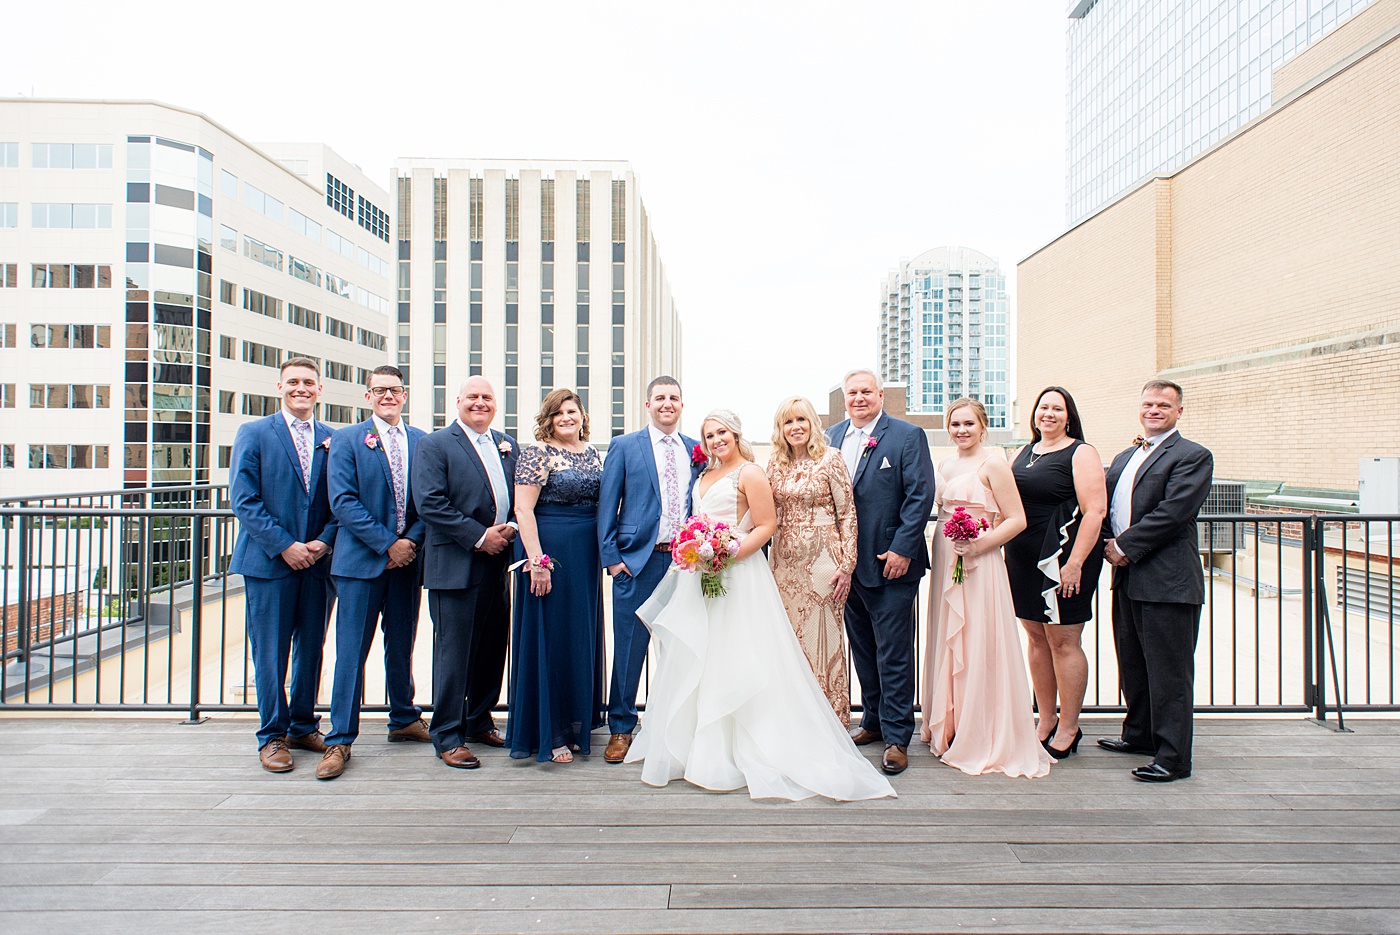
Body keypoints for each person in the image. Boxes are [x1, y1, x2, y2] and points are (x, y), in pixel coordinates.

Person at [626, 410, 895, 802]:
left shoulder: (751, 473)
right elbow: (696, 520)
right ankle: (696, 748)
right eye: (710, 434)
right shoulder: (703, 477)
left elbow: (766, 524)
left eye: (722, 432)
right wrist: (696, 551)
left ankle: (745, 748)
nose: (717, 439)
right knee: (702, 654)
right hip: (701, 575)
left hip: (737, 572)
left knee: (739, 653)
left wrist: (727, 553)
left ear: (735, 434)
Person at [920, 399, 1051, 778]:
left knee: (978, 638)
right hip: (948, 554)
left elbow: (1017, 519)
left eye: (968, 424)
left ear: (983, 426)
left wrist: (979, 544)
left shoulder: (993, 463)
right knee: (949, 636)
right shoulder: (945, 464)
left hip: (981, 559)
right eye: (955, 424)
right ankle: (952, 724)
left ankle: (982, 730)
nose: (961, 430)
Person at [317, 365, 430, 780]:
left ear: (405, 394)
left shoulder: (421, 441)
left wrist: (409, 544)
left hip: (406, 563)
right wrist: (388, 544)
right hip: (360, 564)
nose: (387, 396)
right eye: (379, 390)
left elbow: (426, 501)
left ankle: (403, 716)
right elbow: (342, 501)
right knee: (351, 653)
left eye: (395, 390)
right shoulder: (345, 440)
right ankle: (340, 738)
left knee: (401, 645)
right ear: (368, 396)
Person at [1098, 380, 1213, 783]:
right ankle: (1140, 734)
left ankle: (1173, 757)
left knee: (1169, 671)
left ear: (1179, 411)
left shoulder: (1192, 456)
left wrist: (1125, 546)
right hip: (1126, 577)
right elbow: (1104, 506)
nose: (1154, 410)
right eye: (1148, 403)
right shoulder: (1126, 455)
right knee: (1133, 662)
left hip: (1168, 580)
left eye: (1164, 405)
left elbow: (1174, 512)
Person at [227, 357, 338, 772]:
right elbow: (244, 499)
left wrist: (324, 542)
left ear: (319, 389)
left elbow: (340, 499)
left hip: (317, 563)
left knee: (311, 647)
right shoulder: (254, 433)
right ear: (280, 386)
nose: (301, 388)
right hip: (269, 563)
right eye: (293, 382)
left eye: (308, 382)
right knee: (269, 652)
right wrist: (285, 545)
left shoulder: (333, 438)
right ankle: (272, 735)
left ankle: (303, 724)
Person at [825, 368, 935, 775]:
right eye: (852, 392)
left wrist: (903, 549)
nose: (859, 398)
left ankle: (896, 737)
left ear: (880, 395)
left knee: (894, 653)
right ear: (844, 396)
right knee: (863, 649)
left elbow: (920, 494)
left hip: (890, 564)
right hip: (847, 568)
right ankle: (871, 721)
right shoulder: (831, 437)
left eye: (866, 391)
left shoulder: (907, 436)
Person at [411, 377, 518, 770]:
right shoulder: (435, 445)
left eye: (487, 397)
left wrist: (510, 530)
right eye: (472, 397)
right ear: (457, 402)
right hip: (455, 564)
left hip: (498, 561)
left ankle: (479, 721)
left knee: (492, 647)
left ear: (496, 404)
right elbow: (430, 502)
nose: (479, 402)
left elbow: (519, 498)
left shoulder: (507, 445)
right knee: (454, 653)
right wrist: (478, 536)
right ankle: (447, 734)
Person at [596, 376, 704, 764]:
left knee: (683, 648)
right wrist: (612, 560)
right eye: (659, 398)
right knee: (629, 649)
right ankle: (621, 729)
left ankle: (676, 727)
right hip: (636, 563)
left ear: (681, 404)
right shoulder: (625, 446)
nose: (667, 404)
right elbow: (608, 504)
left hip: (683, 565)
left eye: (674, 397)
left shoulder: (696, 449)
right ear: (647, 405)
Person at [1004, 386, 1107, 759]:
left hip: (1063, 558)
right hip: (1021, 558)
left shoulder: (1081, 452)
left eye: (1057, 409)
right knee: (1035, 638)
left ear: (1069, 416)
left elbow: (1095, 511)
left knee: (1063, 641)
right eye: (1043, 407)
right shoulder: (1024, 452)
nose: (1048, 414)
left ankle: (1069, 725)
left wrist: (1075, 563)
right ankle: (1045, 718)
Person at [507, 388, 606, 763]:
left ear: (582, 415)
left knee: (578, 634)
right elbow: (523, 509)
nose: (567, 417)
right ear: (548, 419)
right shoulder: (537, 453)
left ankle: (577, 723)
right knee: (550, 637)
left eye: (573, 411)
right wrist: (538, 561)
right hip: (550, 552)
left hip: (585, 557)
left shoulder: (593, 453)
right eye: (558, 413)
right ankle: (550, 732)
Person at [766, 396, 857, 727]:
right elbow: (764, 513)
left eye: (801, 420)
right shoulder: (775, 464)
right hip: (783, 564)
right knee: (788, 641)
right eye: (788, 422)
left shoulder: (831, 459)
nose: (795, 427)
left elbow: (847, 513)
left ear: (812, 424)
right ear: (781, 429)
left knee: (824, 640)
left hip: (824, 564)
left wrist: (847, 565)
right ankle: (794, 721)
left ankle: (829, 722)